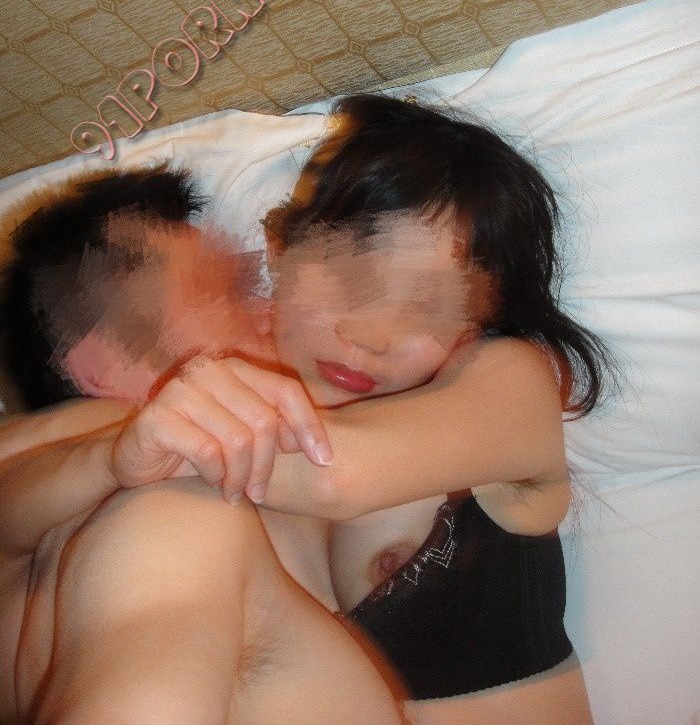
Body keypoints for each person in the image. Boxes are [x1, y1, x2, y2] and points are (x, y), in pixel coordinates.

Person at [1, 94, 613, 722]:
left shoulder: (508, 383)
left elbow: (335, 474)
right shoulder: (145, 441)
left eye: (432, 307)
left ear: (479, 326)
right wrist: (112, 456)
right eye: (350, 280)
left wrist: (154, 448)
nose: (371, 334)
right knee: (168, 517)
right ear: (279, 254)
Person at [0, 167, 403, 724]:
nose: (269, 312)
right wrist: (107, 457)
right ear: (106, 360)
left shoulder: (302, 471)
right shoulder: (67, 484)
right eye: (225, 294)